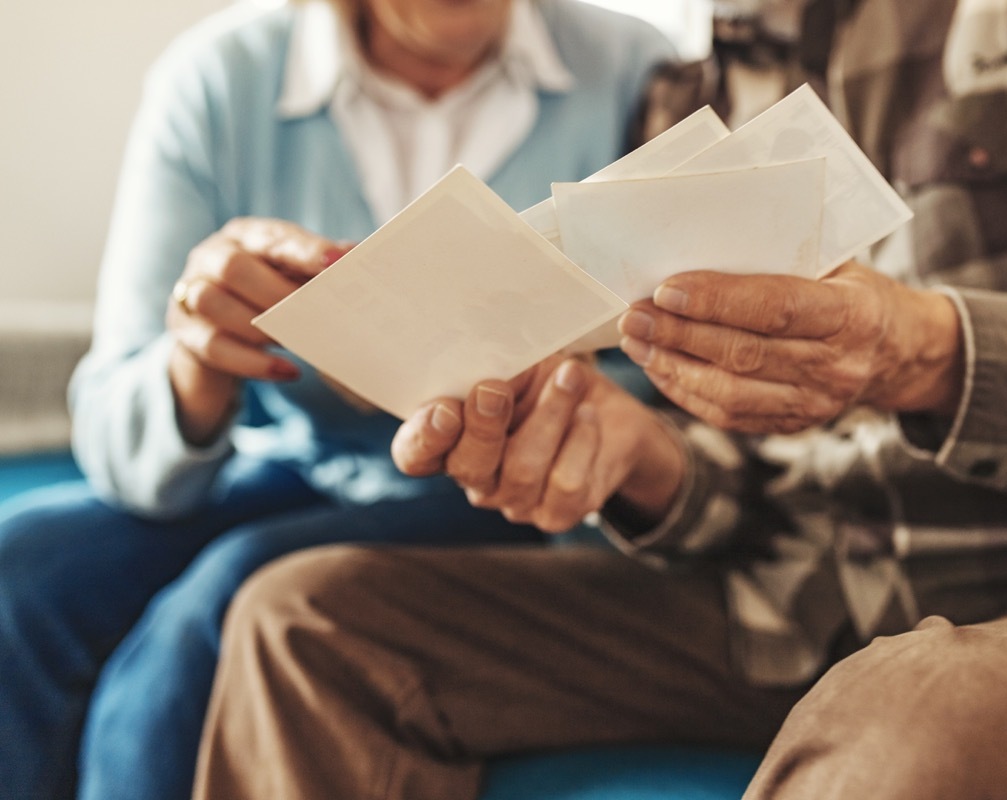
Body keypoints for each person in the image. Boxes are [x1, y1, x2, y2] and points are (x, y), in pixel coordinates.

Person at [190, 0, 1007, 797]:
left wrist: (923, 353)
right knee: (303, 618)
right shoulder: (695, 87)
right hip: (793, 588)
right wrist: (632, 456)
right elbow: (747, 478)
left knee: (941, 703)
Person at [0, 1, 674, 799]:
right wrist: (199, 361)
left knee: (223, 598)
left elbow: (673, 390)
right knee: (21, 569)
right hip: (303, 468)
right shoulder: (218, 80)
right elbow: (119, 443)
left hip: (496, 490)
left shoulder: (638, 72)